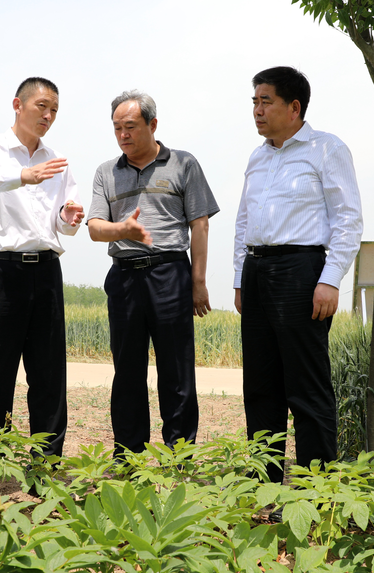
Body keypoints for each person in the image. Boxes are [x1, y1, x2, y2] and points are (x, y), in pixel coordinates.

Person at [234, 66, 363, 485]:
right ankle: (264, 486)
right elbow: (244, 220)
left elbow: (348, 219)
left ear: (294, 107)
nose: (257, 110)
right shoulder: (257, 157)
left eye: (266, 101)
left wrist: (330, 279)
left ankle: (314, 489)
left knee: (306, 388)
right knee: (260, 386)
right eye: (254, 102)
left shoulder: (326, 149)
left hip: (301, 272)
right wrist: (239, 278)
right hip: (256, 271)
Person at [0, 77, 83, 483]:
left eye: (54, 109)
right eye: (42, 106)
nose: (48, 115)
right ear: (17, 104)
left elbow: (65, 222)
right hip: (0, 272)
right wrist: (22, 175)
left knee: (49, 375)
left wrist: (68, 218)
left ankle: (46, 468)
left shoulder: (57, 159)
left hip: (46, 271)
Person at [87, 90, 219, 457]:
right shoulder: (106, 172)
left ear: (153, 124)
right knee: (127, 371)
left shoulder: (183, 164)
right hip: (124, 277)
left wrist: (198, 283)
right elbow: (95, 227)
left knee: (176, 370)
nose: (123, 135)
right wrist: (123, 230)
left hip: (170, 274)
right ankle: (129, 456)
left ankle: (180, 455)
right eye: (117, 128)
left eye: (130, 126)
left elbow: (200, 224)